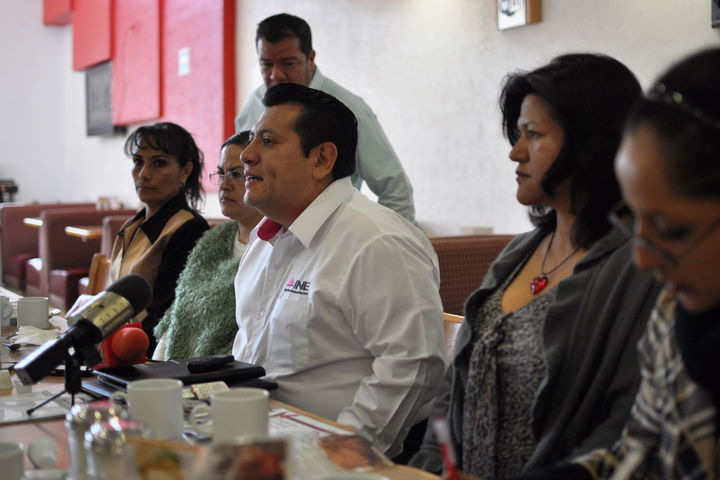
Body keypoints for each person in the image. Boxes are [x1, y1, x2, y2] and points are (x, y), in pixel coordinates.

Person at [409, 54, 661, 479]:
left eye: (534, 134)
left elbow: (627, 424)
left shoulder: (641, 265)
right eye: (517, 134)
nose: (515, 152)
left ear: (591, 141)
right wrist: (429, 467)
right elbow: (456, 387)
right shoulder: (520, 252)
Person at [232, 83, 445, 458]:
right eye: (251, 140)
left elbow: (413, 365)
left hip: (335, 458)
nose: (246, 156)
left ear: (322, 160)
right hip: (257, 445)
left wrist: (339, 454)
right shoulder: (264, 241)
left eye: (267, 141)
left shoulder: (377, 241)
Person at [535, 47, 720, 479]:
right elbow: (639, 454)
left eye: (671, 229)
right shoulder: (674, 317)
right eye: (633, 219)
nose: (642, 257)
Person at [235, 13, 416, 223]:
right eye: (266, 64)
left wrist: (385, 238)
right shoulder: (253, 106)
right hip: (267, 235)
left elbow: (396, 191)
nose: (276, 75)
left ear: (310, 58)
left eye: (288, 63)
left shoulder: (351, 110)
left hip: (332, 232)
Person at [153, 131, 263, 360]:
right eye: (221, 174)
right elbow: (178, 315)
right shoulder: (211, 242)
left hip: (229, 372)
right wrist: (157, 368)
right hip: (176, 369)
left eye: (236, 174)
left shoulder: (274, 246)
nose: (224, 185)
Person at [111, 122, 210, 357]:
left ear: (185, 171)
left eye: (159, 163)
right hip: (118, 348)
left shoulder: (189, 228)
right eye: (138, 162)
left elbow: (166, 320)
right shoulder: (131, 226)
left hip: (150, 356)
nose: (143, 174)